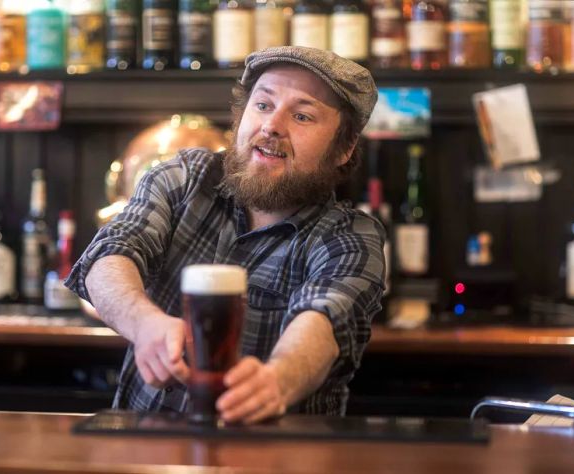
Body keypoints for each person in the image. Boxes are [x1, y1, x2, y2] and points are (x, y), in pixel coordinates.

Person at [65, 46, 385, 424]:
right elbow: (112, 254)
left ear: (343, 149)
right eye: (263, 105)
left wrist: (277, 380)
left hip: (275, 460)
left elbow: (325, 321)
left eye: (301, 115)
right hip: (145, 450)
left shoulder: (350, 237)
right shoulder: (184, 179)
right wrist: (143, 321)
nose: (271, 126)